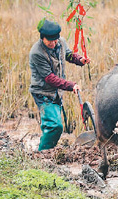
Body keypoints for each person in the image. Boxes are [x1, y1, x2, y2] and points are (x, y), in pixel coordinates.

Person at [29, 18, 91, 151]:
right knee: (55, 126)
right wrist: (70, 85)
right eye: (50, 40)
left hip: (56, 93)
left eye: (55, 39)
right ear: (42, 38)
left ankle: (47, 150)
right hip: (43, 93)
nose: (53, 43)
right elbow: (49, 78)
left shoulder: (61, 43)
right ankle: (42, 155)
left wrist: (80, 59)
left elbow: (68, 55)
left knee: (53, 125)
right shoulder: (37, 53)